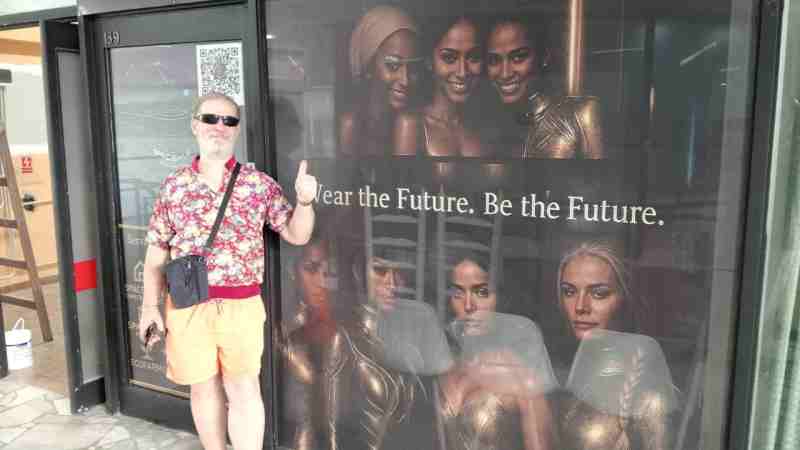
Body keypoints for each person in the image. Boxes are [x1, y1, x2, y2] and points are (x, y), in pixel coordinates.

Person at [138, 92, 318, 450]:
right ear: (195, 125)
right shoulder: (174, 186)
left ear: (237, 130)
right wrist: (148, 307)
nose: (219, 127)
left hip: (241, 306)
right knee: (203, 388)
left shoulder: (258, 184)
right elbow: (157, 251)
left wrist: (305, 201)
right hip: (188, 306)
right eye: (210, 118)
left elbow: (297, 234)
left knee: (244, 388)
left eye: (229, 120)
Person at [555, 242, 676, 450]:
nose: (580, 306)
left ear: (625, 298)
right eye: (569, 291)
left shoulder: (648, 390)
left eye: (599, 294)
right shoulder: (555, 371)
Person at [437, 249, 558, 450]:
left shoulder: (518, 363)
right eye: (458, 293)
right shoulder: (442, 350)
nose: (468, 305)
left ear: (500, 297)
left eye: (481, 292)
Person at [485, 17, 605, 159]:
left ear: (544, 57)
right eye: (494, 60)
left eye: (518, 57)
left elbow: (602, 172)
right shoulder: (487, 127)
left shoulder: (580, 115)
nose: (505, 74)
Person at [395, 16, 487, 157]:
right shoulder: (411, 124)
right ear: (429, 62)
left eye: (474, 57)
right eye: (449, 58)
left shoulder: (485, 125)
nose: (462, 72)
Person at [340, 5, 421, 156]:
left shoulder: (418, 124)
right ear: (369, 65)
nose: (405, 80)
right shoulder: (351, 126)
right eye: (393, 65)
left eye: (413, 67)